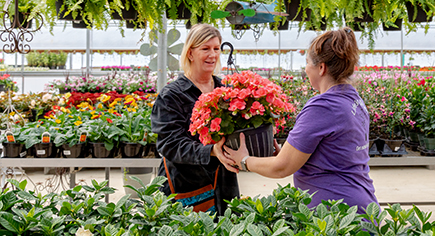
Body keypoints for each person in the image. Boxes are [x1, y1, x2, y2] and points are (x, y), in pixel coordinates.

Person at [221, 27, 378, 211]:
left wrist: (245, 160)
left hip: (338, 213)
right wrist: (288, 154)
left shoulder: (323, 106)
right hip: (362, 204)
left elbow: (281, 168)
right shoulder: (354, 100)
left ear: (321, 68)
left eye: (307, 63)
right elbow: (336, 155)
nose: (305, 70)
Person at [151, 24, 239, 215]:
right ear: (190, 53)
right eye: (205, 49)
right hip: (185, 185)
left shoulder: (225, 92)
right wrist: (210, 151)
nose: (212, 55)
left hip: (224, 184)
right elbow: (169, 144)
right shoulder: (172, 95)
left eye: (216, 49)